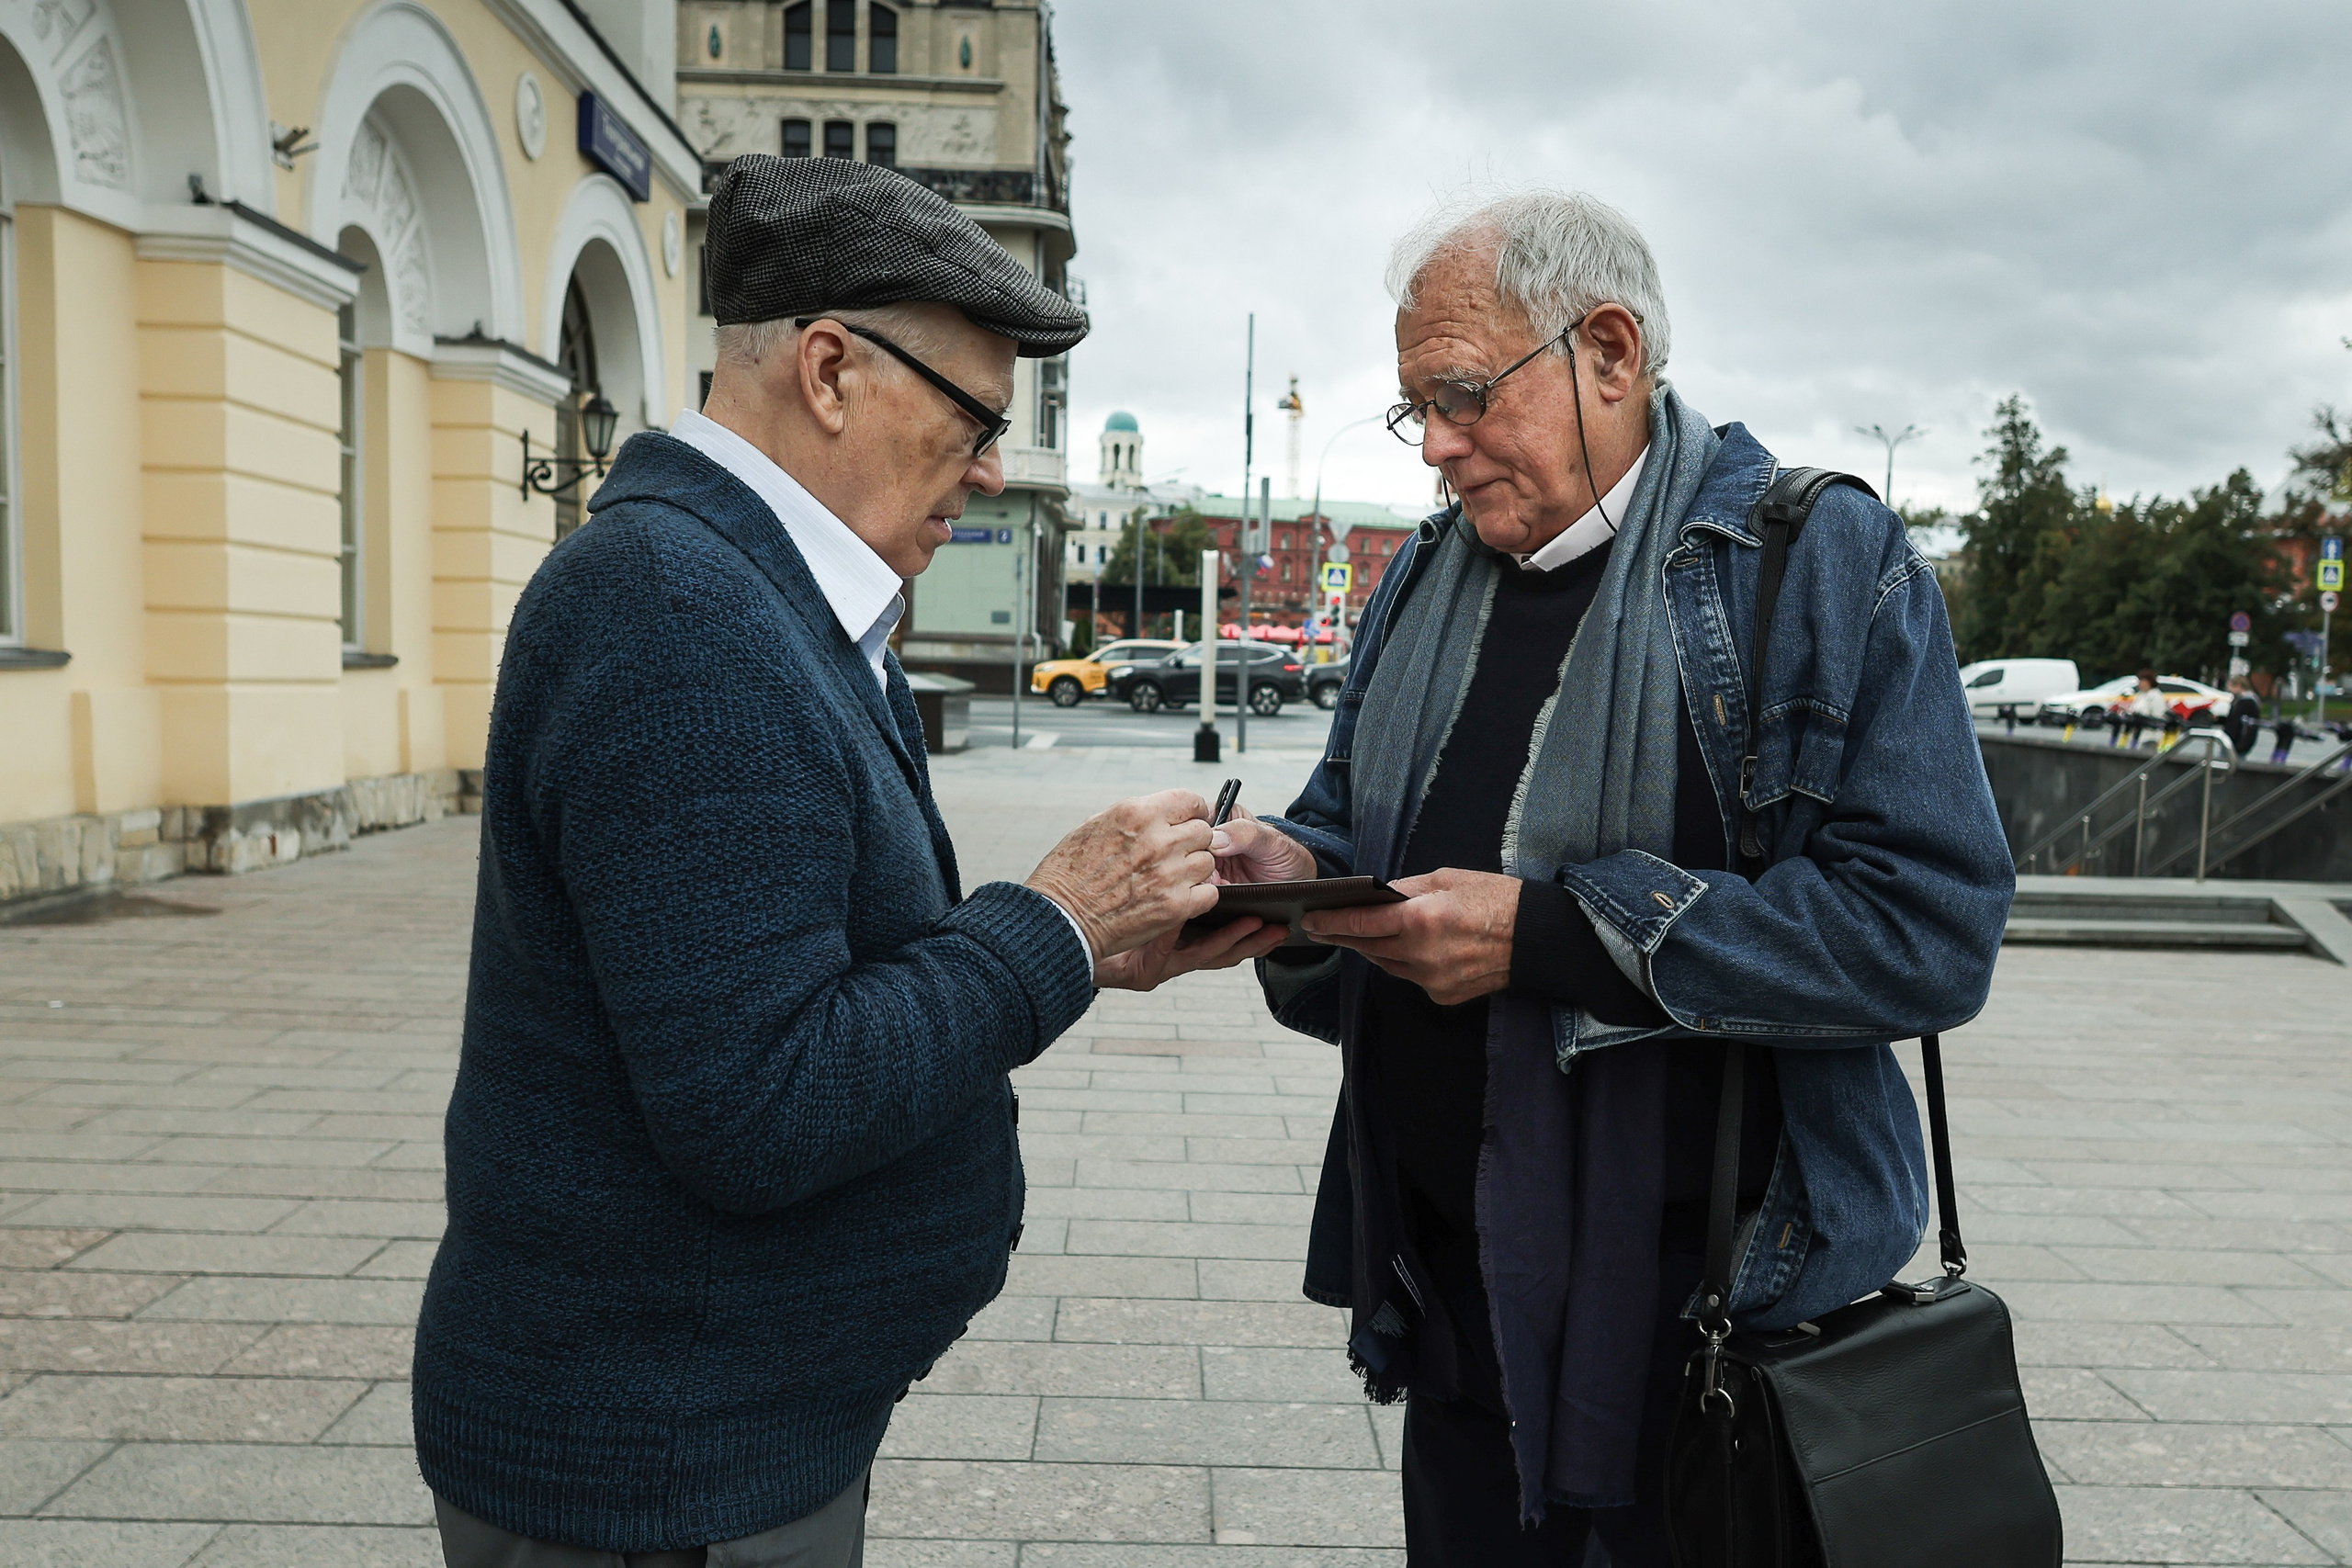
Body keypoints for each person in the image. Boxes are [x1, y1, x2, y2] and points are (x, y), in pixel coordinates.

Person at [412, 157, 1286, 1567]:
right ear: (828, 367)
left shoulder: (748, 587)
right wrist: (1054, 922)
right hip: (665, 1467)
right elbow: (763, 1098)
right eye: (972, 415)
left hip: (712, 1427)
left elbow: (812, 967)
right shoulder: (677, 610)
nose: (993, 465)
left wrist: (1096, 943)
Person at [1211, 189, 2013, 1564]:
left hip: (1713, 1344)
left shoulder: (1814, 562)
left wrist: (1556, 937)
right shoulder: (1422, 576)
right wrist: (1289, 876)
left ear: (1611, 351)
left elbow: (1927, 929)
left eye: (1464, 395)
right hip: (1456, 1317)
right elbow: (1352, 823)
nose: (1439, 449)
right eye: (1419, 410)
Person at [2224, 675, 2263, 757]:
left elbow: (2241, 722)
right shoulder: (2237, 700)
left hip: (2238, 741)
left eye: (2231, 687)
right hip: (2232, 740)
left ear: (2239, 686)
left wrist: (2241, 745)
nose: (2229, 690)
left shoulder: (2247, 702)